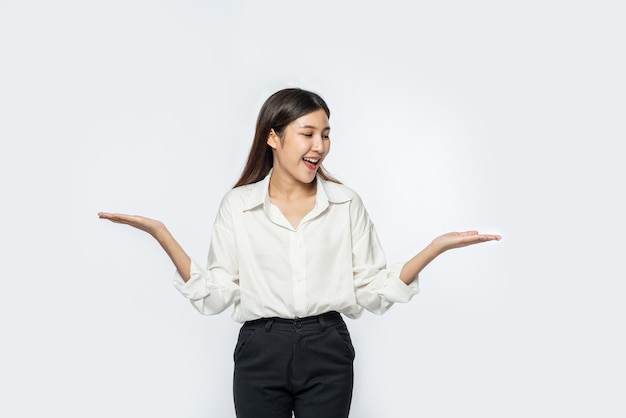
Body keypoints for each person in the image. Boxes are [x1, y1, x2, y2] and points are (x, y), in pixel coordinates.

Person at [98, 87, 501, 418]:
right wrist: (162, 234)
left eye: (325, 134)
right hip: (260, 348)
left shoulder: (345, 203)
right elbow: (216, 293)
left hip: (327, 345)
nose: (320, 146)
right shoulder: (238, 206)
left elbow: (372, 288)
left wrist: (435, 248)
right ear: (273, 137)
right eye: (307, 134)